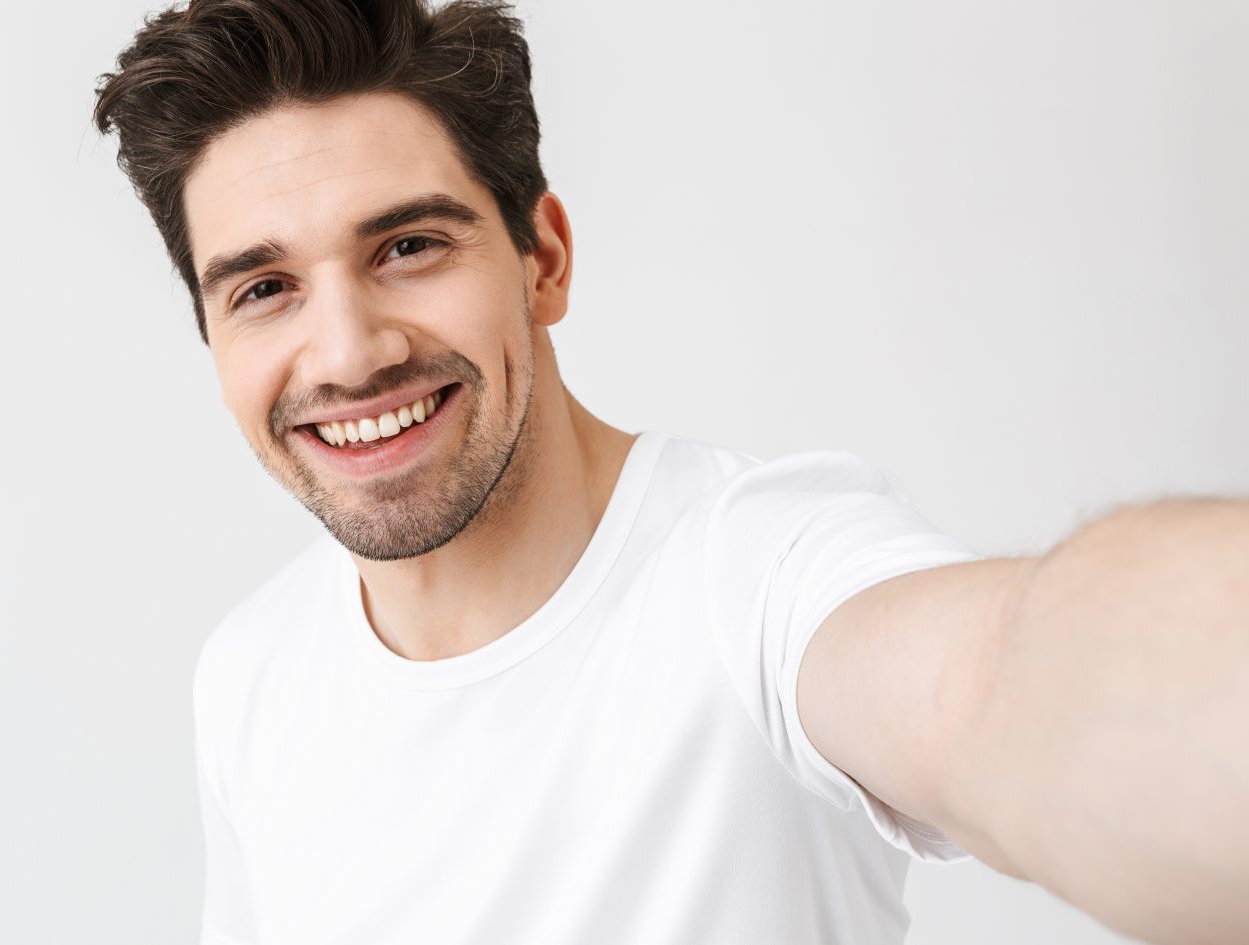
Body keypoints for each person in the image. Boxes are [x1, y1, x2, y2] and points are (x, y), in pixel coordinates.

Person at [92, 1, 1248, 942]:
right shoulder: (248, 676)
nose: (349, 354)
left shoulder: (759, 578)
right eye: (264, 289)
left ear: (543, 261)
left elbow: (1003, 681)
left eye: (409, 246)